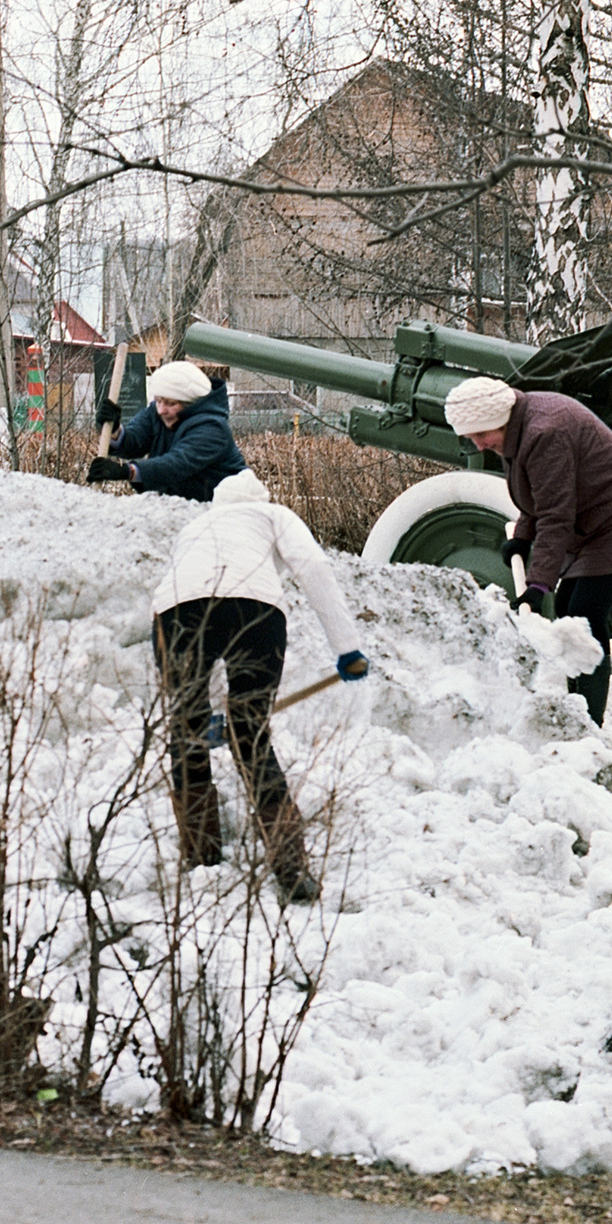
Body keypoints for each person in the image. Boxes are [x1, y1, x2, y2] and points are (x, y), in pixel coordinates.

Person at [150, 469, 368, 901]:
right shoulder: (273, 514)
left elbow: (196, 589)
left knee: (186, 733)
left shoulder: (197, 525)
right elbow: (312, 567)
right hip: (256, 613)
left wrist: (203, 717)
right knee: (250, 737)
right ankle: (292, 870)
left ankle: (200, 856)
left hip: (175, 613)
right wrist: (347, 648)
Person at [440, 375, 612, 725]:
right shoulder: (518, 425)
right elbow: (538, 493)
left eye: (479, 435)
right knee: (568, 609)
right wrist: (522, 535)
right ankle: (577, 701)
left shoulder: (544, 433)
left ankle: (590, 721)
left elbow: (555, 515)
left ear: (497, 421)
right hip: (597, 512)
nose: (478, 444)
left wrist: (537, 587)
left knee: (585, 616)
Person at [88, 359, 246, 501]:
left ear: (190, 404)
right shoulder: (158, 412)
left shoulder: (213, 427)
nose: (161, 409)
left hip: (223, 510)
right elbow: (136, 439)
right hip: (179, 508)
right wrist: (115, 430)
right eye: (158, 401)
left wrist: (127, 472)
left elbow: (175, 465)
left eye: (171, 403)